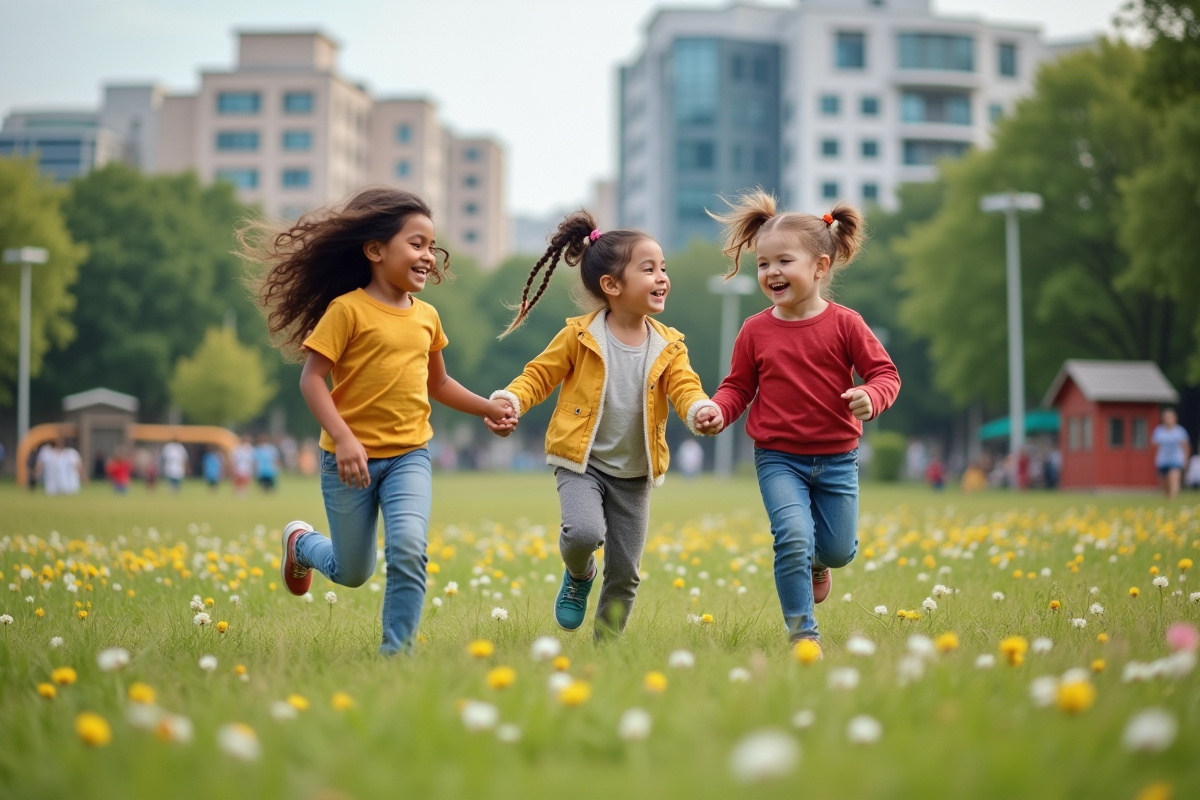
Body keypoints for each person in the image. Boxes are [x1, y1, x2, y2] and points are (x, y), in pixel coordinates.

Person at [245, 187, 514, 655]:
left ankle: (396, 655)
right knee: (353, 572)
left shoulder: (427, 317)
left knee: (409, 547)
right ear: (375, 250)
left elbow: (440, 384)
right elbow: (312, 381)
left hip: (411, 456)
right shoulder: (347, 310)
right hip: (350, 462)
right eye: (416, 244)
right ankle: (302, 544)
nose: (428, 256)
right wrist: (345, 439)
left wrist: (487, 407)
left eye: (431, 246)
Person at [486, 210, 720, 638]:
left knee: (626, 573)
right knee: (582, 534)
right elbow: (540, 374)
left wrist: (699, 410)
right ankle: (578, 575)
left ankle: (605, 652)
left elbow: (686, 387)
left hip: (635, 474)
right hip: (581, 462)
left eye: (663, 268)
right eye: (648, 269)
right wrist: (511, 398)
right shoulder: (579, 336)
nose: (662, 277)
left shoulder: (669, 346)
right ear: (612, 286)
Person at [707, 192, 900, 652]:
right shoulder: (755, 330)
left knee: (836, 550)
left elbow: (885, 374)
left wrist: (871, 396)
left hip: (837, 458)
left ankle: (821, 561)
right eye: (763, 264)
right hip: (778, 458)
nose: (771, 273)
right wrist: (719, 409)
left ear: (819, 266)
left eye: (783, 262)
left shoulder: (846, 324)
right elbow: (738, 387)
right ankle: (803, 635)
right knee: (791, 537)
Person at [1151, 408, 1190, 500]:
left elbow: (1186, 447)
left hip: (1176, 459)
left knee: (1174, 479)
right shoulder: (1159, 431)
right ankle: (1168, 500)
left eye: (1170, 417)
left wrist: (1185, 460)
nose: (1168, 419)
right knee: (1164, 485)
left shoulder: (1180, 431)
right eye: (1166, 417)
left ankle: (1173, 500)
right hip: (1163, 460)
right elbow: (1154, 447)